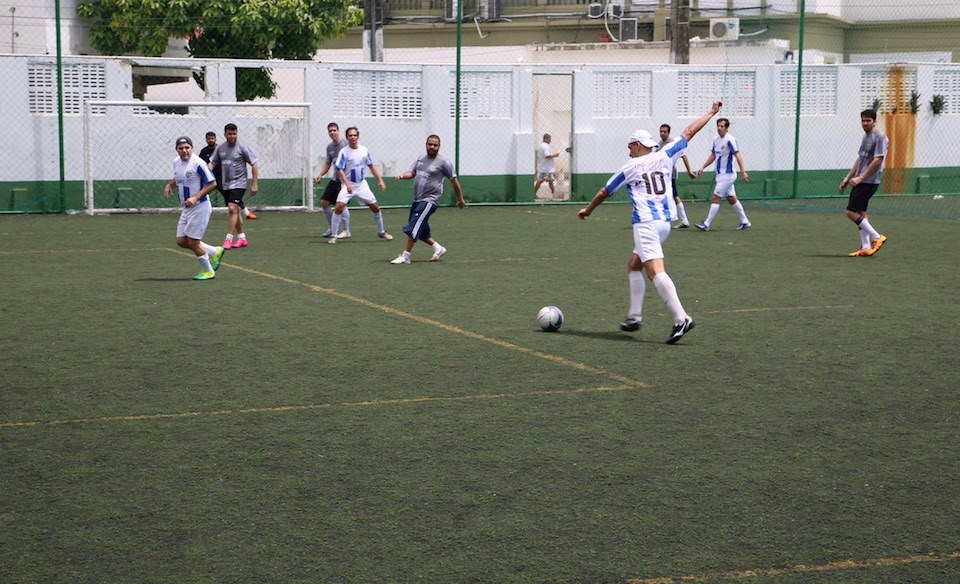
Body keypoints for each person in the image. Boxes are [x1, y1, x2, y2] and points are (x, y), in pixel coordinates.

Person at [578, 100, 723, 344]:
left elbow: (605, 191)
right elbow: (690, 131)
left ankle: (681, 318)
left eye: (629, 147)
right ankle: (634, 316)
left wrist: (588, 210)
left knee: (655, 271)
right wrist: (711, 112)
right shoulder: (665, 154)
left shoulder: (631, 166)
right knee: (634, 264)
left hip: (645, 224)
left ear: (637, 145)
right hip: (664, 224)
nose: (628, 151)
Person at [390, 134, 466, 265]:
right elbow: (412, 173)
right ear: (426, 145)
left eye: (435, 145)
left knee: (414, 226)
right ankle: (438, 248)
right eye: (430, 144)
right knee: (421, 230)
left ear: (439, 147)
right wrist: (402, 176)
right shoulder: (420, 159)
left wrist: (461, 199)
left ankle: (405, 256)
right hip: (417, 200)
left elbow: (454, 181)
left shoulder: (444, 162)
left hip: (430, 200)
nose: (432, 147)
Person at [162, 136, 223, 281]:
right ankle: (215, 251)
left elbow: (212, 183)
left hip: (200, 206)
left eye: (187, 148)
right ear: (176, 150)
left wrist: (196, 197)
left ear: (192, 148)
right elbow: (180, 178)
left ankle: (208, 271)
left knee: (193, 242)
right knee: (181, 241)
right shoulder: (176, 162)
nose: (184, 151)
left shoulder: (198, 163)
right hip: (187, 208)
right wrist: (170, 185)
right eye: (181, 148)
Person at [328, 126, 392, 244]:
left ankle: (381, 232)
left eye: (354, 135)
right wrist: (347, 184)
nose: (353, 137)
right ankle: (334, 235)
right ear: (347, 138)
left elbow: (371, 166)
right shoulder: (344, 152)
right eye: (350, 135)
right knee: (338, 207)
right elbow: (340, 169)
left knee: (375, 207)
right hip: (348, 185)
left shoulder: (364, 150)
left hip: (362, 185)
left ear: (358, 136)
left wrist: (380, 180)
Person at [839, 108, 888, 257]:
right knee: (860, 212)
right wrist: (848, 177)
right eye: (863, 120)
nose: (865, 123)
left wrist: (861, 178)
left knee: (850, 211)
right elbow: (860, 159)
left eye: (868, 120)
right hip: (861, 179)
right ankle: (866, 246)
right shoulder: (865, 137)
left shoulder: (880, 137)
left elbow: (878, 160)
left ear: (875, 122)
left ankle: (877, 237)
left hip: (869, 180)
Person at [693, 117, 751, 231]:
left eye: (722, 126)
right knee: (731, 198)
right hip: (720, 175)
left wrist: (743, 172)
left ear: (727, 128)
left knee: (715, 198)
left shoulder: (730, 140)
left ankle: (706, 224)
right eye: (718, 126)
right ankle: (745, 221)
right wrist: (702, 167)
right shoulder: (716, 140)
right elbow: (713, 155)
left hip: (728, 175)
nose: (719, 128)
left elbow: (738, 156)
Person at [210, 123, 259, 249]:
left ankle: (228, 238)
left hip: (239, 183)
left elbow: (254, 164)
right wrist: (204, 175)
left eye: (234, 133)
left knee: (232, 208)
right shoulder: (220, 148)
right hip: (225, 184)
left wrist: (254, 183)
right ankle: (242, 238)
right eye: (230, 134)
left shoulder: (242, 147)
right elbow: (212, 163)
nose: (232, 136)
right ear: (225, 134)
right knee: (235, 210)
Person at [198, 131, 256, 221]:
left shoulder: (221, 148)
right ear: (206, 140)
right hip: (210, 178)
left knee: (233, 199)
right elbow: (203, 164)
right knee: (202, 193)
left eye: (212, 138)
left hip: (222, 178)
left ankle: (246, 212)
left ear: (215, 139)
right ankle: (200, 212)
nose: (211, 140)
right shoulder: (204, 151)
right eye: (209, 139)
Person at [313, 122, 350, 238]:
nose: (332, 133)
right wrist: (320, 174)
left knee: (341, 205)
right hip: (335, 179)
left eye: (334, 130)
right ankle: (332, 227)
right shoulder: (329, 147)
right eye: (330, 131)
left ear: (338, 131)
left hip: (345, 180)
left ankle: (346, 230)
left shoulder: (346, 145)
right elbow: (328, 163)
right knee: (324, 202)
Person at [657, 123, 695, 228]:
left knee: (674, 196)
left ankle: (684, 220)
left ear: (669, 133)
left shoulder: (673, 143)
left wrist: (689, 171)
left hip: (670, 174)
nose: (662, 133)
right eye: (661, 131)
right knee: (667, 196)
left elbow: (684, 156)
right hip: (661, 175)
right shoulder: (659, 143)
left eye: (664, 132)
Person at [534, 134, 560, 198]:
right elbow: (547, 155)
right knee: (541, 180)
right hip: (546, 168)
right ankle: (533, 193)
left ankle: (554, 194)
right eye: (549, 139)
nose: (550, 141)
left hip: (545, 167)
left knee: (550, 181)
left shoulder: (541, 146)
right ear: (546, 139)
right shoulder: (545, 146)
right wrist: (555, 155)